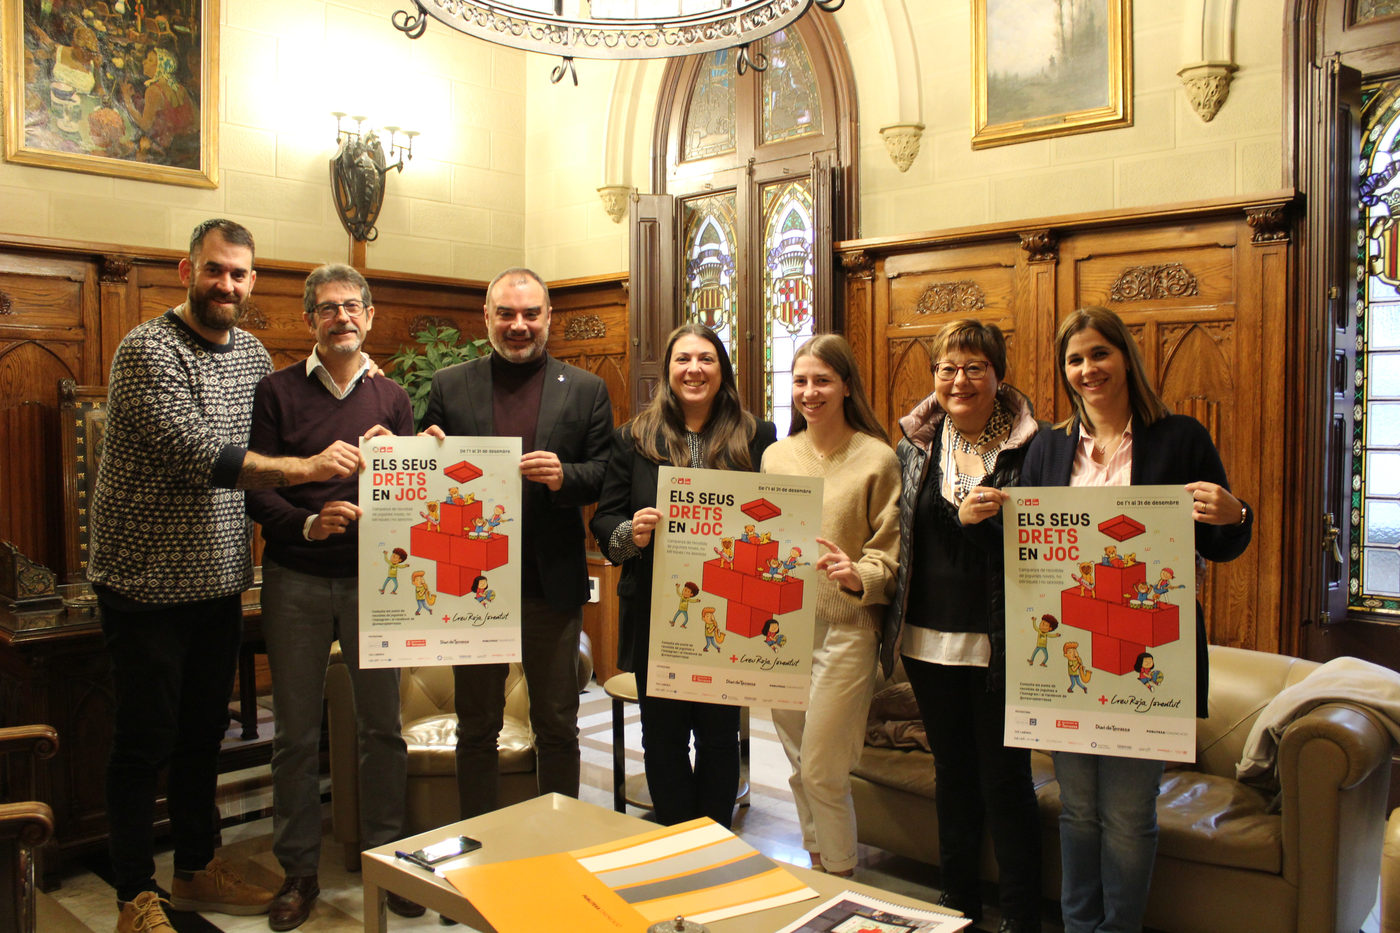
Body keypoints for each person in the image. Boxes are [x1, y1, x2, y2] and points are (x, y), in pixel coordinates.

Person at [89, 220, 362, 933]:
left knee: (201, 734)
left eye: (240, 275)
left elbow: (286, 418)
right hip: (143, 582)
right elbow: (198, 451)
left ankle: (195, 867)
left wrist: (368, 386)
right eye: (216, 270)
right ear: (187, 268)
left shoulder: (251, 353)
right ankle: (132, 894)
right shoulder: (146, 348)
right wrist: (306, 470)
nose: (229, 285)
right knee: (142, 739)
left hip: (217, 579)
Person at [1013, 305, 1252, 933]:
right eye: (1075, 359)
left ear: (1125, 358)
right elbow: (1030, 558)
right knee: (1078, 812)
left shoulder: (1181, 438)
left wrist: (1237, 515)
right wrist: (987, 521)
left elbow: (1220, 545)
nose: (1088, 369)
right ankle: (1077, 927)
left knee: (1126, 813)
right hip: (1073, 657)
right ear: (1063, 371)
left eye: (1099, 354)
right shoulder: (1047, 447)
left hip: (1151, 660)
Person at [245, 263, 422, 930]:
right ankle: (298, 870)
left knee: (382, 727)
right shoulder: (277, 392)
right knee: (295, 731)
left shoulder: (393, 398)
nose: (341, 316)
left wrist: (409, 457)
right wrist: (307, 521)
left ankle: (386, 857)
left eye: (352, 306)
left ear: (371, 316)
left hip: (377, 581)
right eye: (327, 308)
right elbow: (256, 485)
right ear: (308, 319)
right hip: (296, 577)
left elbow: (413, 494)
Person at [420, 267, 612, 818]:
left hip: (549, 587)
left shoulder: (586, 388)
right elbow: (431, 480)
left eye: (531, 314)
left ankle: (554, 846)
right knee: (475, 724)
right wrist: (427, 452)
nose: (519, 325)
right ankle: (481, 844)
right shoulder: (449, 386)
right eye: (506, 313)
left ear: (550, 317)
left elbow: (604, 473)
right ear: (486, 318)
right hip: (471, 587)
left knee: (557, 723)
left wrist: (564, 477)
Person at [884, 319, 1045, 933]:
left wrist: (994, 525)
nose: (960, 380)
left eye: (975, 367)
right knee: (952, 775)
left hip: (1002, 641)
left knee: (1006, 780)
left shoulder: (1036, 448)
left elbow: (1046, 544)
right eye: (947, 368)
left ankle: (1022, 917)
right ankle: (958, 904)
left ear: (998, 375)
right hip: (927, 640)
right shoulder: (914, 445)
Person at [590, 323, 777, 828]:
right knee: (663, 737)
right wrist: (633, 532)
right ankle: (677, 838)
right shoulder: (632, 437)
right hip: (658, 613)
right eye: (683, 359)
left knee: (720, 737)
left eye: (706, 359)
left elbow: (777, 510)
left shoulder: (758, 434)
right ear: (667, 372)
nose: (694, 369)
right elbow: (603, 520)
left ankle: (713, 839)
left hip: (726, 605)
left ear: (722, 370)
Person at [761, 335, 900, 877]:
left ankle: (842, 879)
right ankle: (819, 869)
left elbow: (888, 555)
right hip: (781, 627)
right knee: (798, 766)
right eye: (800, 381)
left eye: (822, 380)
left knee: (823, 769)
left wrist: (857, 574)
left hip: (847, 630)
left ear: (846, 386)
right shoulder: (775, 456)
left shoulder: (877, 458)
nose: (810, 392)